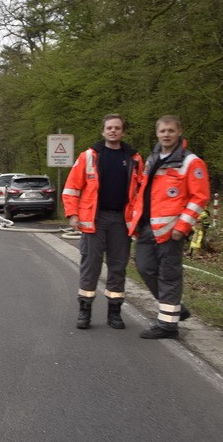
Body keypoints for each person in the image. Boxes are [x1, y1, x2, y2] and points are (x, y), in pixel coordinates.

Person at [131, 115, 209, 339]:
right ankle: (175, 309)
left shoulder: (191, 162)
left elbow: (199, 198)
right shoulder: (153, 158)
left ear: (179, 132)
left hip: (171, 230)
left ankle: (167, 325)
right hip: (147, 227)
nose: (166, 134)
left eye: (171, 131)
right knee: (145, 268)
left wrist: (182, 226)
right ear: (157, 133)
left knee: (169, 276)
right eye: (163, 131)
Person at [62, 114, 144, 330]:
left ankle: (114, 312)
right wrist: (72, 214)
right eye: (109, 127)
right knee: (90, 266)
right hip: (94, 220)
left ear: (123, 132)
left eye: (117, 128)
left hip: (121, 220)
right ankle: (85, 310)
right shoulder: (89, 156)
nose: (113, 131)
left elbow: (141, 192)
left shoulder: (134, 158)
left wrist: (138, 219)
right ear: (103, 131)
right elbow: (71, 188)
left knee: (118, 266)